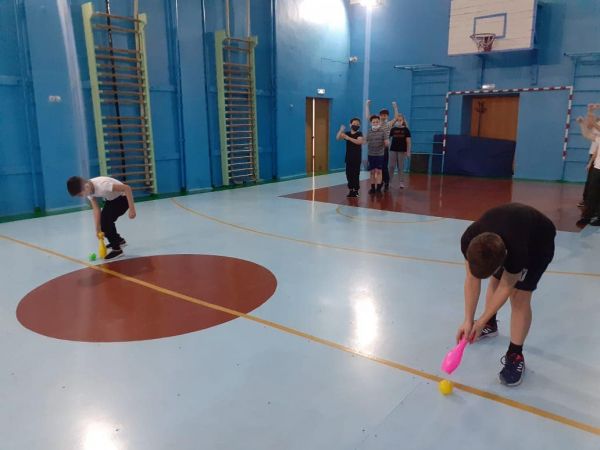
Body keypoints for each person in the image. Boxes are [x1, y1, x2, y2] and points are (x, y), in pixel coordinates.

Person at [457, 203, 556, 386]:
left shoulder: (517, 252)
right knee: (495, 281)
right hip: (508, 229)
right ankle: (491, 323)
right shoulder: (469, 239)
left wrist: (480, 321)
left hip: (538, 242)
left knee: (519, 296)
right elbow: (471, 278)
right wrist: (468, 320)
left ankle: (515, 354)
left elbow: (506, 287)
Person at [66, 176, 137, 260]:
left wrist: (132, 209)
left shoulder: (103, 185)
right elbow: (96, 209)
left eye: (80, 194)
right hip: (111, 200)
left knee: (106, 224)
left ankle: (117, 250)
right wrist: (97, 228)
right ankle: (119, 240)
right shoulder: (88, 190)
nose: (82, 196)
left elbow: (127, 188)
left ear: (85, 186)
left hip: (123, 199)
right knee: (103, 224)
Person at [366, 100, 399, 191]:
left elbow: (396, 117)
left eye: (385, 115)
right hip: (374, 150)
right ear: (380, 115)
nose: (384, 116)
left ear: (387, 116)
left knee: (383, 167)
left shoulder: (389, 124)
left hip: (384, 149)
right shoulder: (377, 123)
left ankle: (385, 183)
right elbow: (368, 117)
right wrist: (367, 105)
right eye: (382, 114)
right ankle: (377, 185)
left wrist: (395, 107)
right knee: (374, 169)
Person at [576, 105, 600, 227]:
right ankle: (587, 216)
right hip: (598, 166)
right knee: (592, 192)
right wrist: (582, 124)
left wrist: (590, 113)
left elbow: (593, 124)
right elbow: (588, 135)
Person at [336, 118, 365, 198]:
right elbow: (337, 138)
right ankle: (351, 190)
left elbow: (359, 142)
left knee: (355, 174)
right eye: (354, 123)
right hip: (348, 157)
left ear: (359, 126)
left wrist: (348, 138)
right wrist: (340, 130)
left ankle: (356, 190)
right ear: (350, 124)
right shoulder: (347, 133)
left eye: (357, 124)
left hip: (356, 157)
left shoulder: (359, 133)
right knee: (348, 174)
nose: (356, 125)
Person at [366, 115, 389, 195]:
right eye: (373, 122)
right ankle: (372, 188)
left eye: (377, 122)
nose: (375, 123)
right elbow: (365, 141)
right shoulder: (369, 132)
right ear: (371, 123)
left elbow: (386, 142)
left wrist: (387, 143)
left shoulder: (383, 131)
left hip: (380, 155)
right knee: (372, 172)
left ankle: (378, 189)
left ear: (379, 122)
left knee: (379, 171)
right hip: (371, 154)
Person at [388, 114, 412, 189]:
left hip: (402, 150)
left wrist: (408, 151)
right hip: (393, 150)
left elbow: (408, 142)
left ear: (403, 121)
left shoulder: (406, 130)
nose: (399, 122)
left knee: (400, 167)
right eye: (397, 120)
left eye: (400, 120)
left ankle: (401, 182)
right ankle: (389, 182)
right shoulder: (393, 129)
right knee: (391, 166)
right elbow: (388, 138)